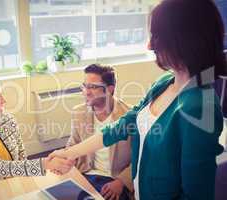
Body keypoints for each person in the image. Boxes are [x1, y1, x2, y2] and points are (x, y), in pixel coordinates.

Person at [49, 0, 227, 199]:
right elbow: (122, 126)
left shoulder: (200, 106)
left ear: (184, 39)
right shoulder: (164, 83)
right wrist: (69, 153)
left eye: (157, 36)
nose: (150, 44)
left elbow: (197, 194)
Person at [0, 69, 74, 187]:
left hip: (15, 185)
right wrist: (46, 164)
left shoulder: (8, 120)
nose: (4, 101)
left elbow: (22, 159)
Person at [67, 64, 133, 200]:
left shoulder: (129, 116)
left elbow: (141, 159)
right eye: (84, 86)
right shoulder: (79, 112)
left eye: (93, 87)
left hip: (114, 180)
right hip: (86, 174)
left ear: (109, 90)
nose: (86, 92)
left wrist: (121, 182)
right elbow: (72, 145)